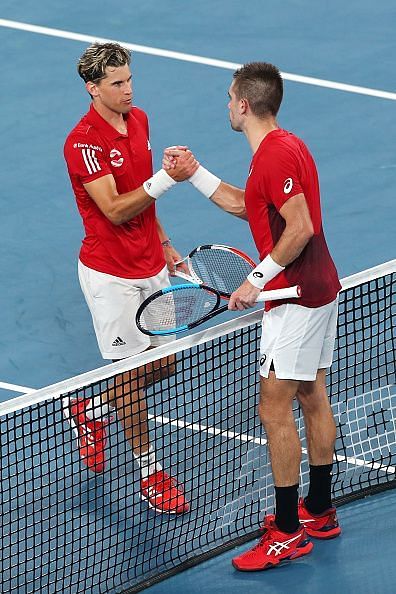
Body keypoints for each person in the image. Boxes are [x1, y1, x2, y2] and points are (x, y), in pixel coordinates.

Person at [164, 62, 342, 568]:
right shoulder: (285, 147)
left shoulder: (273, 157)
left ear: (243, 105)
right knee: (311, 393)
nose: (226, 105)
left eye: (228, 98)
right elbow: (253, 207)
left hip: (293, 298)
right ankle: (320, 509)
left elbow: (300, 226)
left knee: (273, 410)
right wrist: (194, 174)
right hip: (318, 287)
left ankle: (287, 532)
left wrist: (255, 280)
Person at [63, 42, 198, 514]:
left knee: (165, 364)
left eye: (129, 79)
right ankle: (150, 470)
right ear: (93, 88)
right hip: (110, 276)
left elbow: (144, 202)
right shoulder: (82, 143)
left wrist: (164, 243)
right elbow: (117, 209)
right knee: (127, 376)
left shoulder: (138, 120)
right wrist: (168, 178)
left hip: (151, 264)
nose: (128, 90)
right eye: (117, 83)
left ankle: (90, 410)